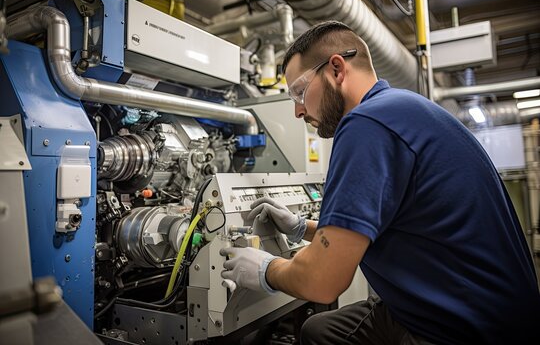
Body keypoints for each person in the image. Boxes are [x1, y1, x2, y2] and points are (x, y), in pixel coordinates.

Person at [220, 21, 540, 344]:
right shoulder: (396, 110)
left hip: (464, 329)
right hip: (479, 308)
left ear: (336, 69)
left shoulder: (365, 125)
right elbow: (369, 230)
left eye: (299, 92)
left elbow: (322, 281)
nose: (298, 111)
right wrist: (302, 227)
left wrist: (264, 270)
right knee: (319, 330)